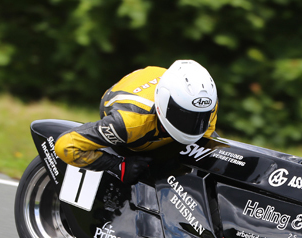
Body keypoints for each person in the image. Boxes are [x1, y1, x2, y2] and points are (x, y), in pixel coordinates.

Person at [54, 60, 218, 184]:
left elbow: (205, 141)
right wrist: (117, 166)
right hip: (127, 106)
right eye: (185, 116)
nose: (193, 124)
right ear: (165, 104)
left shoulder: (206, 104)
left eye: (199, 117)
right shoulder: (128, 123)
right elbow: (66, 145)